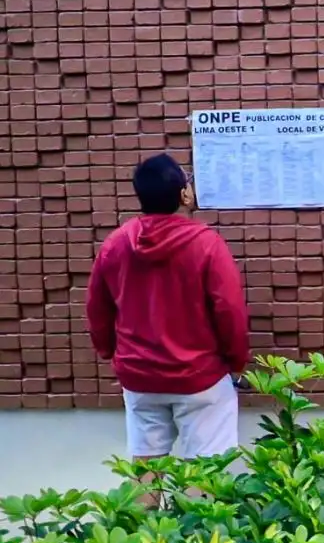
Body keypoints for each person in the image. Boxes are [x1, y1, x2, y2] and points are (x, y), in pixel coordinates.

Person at [85, 153, 250, 462]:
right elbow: (229, 309)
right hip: (201, 376)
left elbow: (97, 309)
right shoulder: (206, 244)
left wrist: (110, 352)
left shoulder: (115, 244)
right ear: (183, 193)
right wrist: (236, 360)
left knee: (146, 468)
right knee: (203, 474)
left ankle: (138, 513)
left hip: (139, 376)